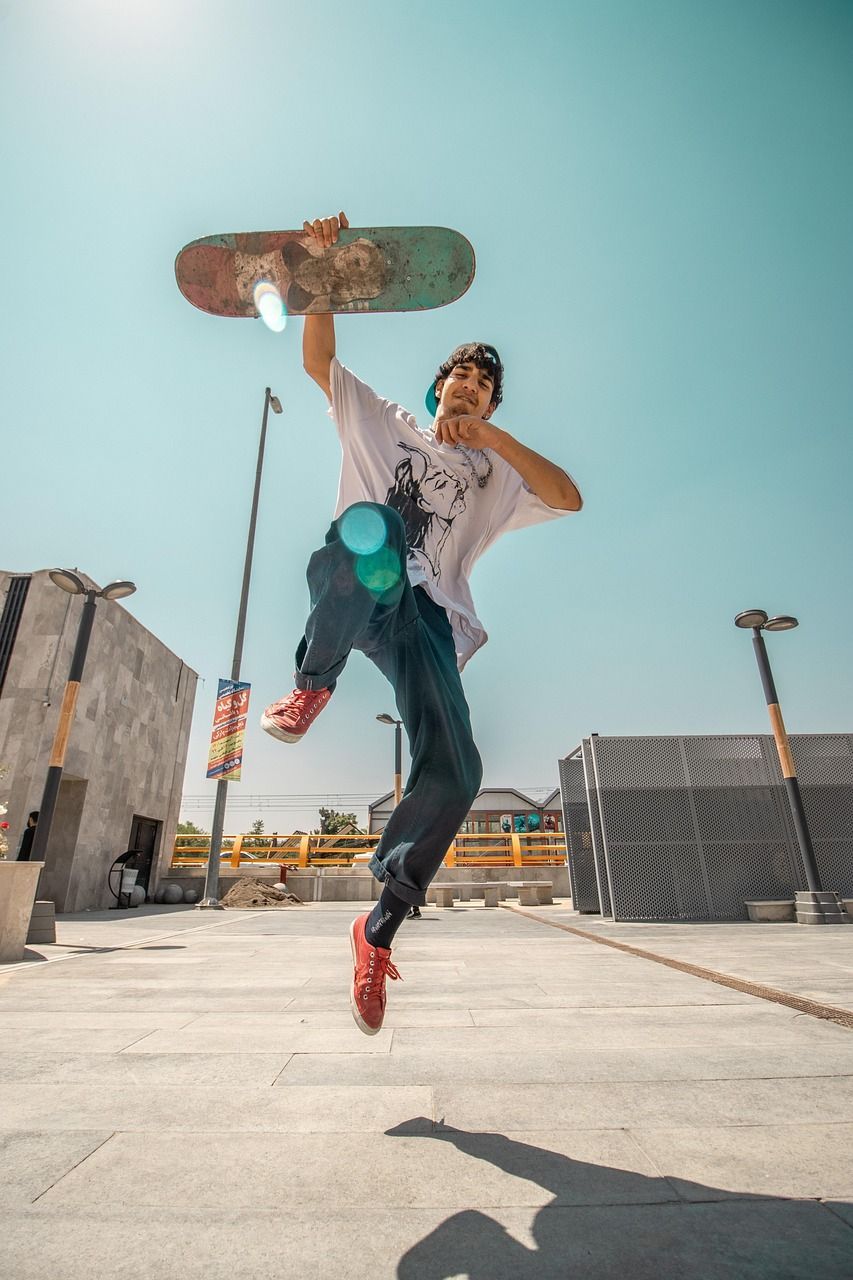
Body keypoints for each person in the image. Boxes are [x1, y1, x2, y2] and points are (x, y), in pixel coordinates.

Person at [261, 211, 582, 1035]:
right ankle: (310, 685)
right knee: (374, 528)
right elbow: (318, 359)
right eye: (459, 379)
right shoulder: (386, 419)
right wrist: (322, 275)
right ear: (437, 386)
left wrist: (493, 438)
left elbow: (568, 497)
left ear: (489, 401)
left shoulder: (493, 472)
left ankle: (377, 930)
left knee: (458, 768)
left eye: (483, 384)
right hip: (361, 584)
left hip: (427, 625)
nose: (467, 387)